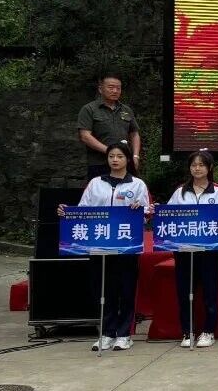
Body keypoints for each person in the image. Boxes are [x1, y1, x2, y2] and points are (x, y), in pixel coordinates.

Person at [58, 141, 150, 352]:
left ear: (128, 159)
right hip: (99, 245)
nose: (115, 160)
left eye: (119, 156)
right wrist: (66, 212)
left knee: (126, 289)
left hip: (126, 247)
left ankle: (124, 334)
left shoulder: (137, 184)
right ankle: (107, 333)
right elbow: (82, 211)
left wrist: (140, 209)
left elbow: (146, 215)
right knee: (103, 289)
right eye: (111, 156)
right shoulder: (95, 183)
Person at [166, 149, 218, 348]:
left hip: (209, 252)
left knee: (210, 291)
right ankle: (187, 331)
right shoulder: (180, 192)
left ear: (209, 168)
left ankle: (209, 331)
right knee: (185, 292)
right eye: (194, 165)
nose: (197, 168)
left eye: (201, 165)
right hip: (184, 251)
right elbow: (168, 216)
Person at [76, 73, 141, 180]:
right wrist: (111, 152)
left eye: (118, 88)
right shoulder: (89, 109)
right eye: (111, 87)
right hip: (99, 164)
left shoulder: (126, 110)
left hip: (125, 163)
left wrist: (135, 155)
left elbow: (134, 134)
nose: (115, 91)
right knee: (100, 190)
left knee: (128, 189)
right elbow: (85, 136)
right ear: (100, 89)